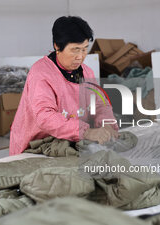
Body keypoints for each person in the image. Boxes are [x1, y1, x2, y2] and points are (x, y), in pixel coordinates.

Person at [9, 16, 118, 155]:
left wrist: (106, 124)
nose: (80, 56)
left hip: (70, 138)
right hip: (37, 144)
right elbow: (45, 117)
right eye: (75, 49)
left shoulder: (86, 72)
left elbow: (100, 104)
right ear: (57, 46)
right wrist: (86, 131)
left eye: (85, 49)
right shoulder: (41, 74)